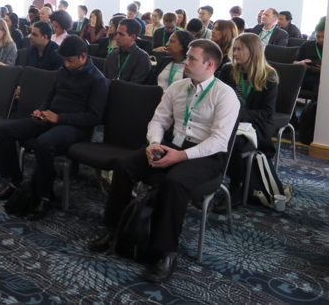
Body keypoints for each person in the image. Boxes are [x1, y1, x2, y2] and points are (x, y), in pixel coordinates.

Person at [88, 39, 239, 284]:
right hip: (172, 144)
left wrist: (181, 156)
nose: (185, 62)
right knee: (124, 166)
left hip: (205, 155)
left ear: (209, 65)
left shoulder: (225, 95)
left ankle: (166, 252)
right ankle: (112, 229)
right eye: (187, 57)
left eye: (192, 59)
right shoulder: (177, 87)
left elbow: (219, 141)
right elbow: (158, 120)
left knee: (175, 182)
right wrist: (155, 143)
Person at [0, 36, 108, 220]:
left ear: (83, 56)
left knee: (44, 143)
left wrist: (59, 117)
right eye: (64, 60)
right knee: (5, 131)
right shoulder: (63, 71)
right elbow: (50, 97)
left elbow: (93, 118)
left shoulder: (97, 80)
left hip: (75, 127)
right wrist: (41, 111)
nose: (66, 64)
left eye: (70, 60)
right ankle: (15, 181)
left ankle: (44, 195)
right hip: (50, 118)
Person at [214, 33, 278, 213]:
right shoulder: (228, 70)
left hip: (255, 125)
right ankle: (208, 179)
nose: (234, 53)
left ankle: (236, 187)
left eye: (239, 49)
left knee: (234, 143)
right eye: (234, 49)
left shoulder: (268, 76)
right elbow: (217, 98)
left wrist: (238, 115)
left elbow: (267, 113)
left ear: (253, 51)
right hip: (229, 120)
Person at [103, 18, 151, 83]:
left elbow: (135, 85)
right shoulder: (111, 55)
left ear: (133, 37)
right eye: (117, 33)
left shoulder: (142, 58)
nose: (117, 37)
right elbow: (104, 81)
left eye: (121, 34)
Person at [295, 18, 324, 94]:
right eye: (318, 36)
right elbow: (294, 62)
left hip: (322, 78)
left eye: (323, 36)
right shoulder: (307, 45)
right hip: (305, 76)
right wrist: (302, 63)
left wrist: (323, 70)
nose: (320, 39)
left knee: (319, 88)